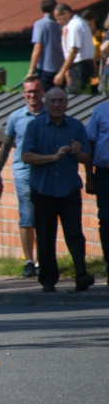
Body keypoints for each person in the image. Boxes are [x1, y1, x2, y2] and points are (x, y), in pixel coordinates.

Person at [21, 87, 94, 293]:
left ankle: (81, 275)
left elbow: (88, 158)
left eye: (60, 101)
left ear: (66, 103)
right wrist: (54, 157)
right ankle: (48, 279)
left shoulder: (76, 126)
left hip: (68, 188)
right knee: (45, 235)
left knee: (74, 233)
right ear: (46, 103)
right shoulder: (35, 126)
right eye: (52, 101)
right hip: (43, 189)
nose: (56, 105)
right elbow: (27, 156)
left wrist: (78, 153)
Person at [0, 76, 45, 278]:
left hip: (45, 172)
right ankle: (29, 260)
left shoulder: (50, 114)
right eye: (29, 92)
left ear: (42, 92)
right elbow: (6, 145)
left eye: (36, 91)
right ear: (23, 94)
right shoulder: (16, 117)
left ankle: (43, 260)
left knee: (44, 217)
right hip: (23, 172)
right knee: (27, 216)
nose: (32, 95)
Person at [86, 99, 109, 284]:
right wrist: (89, 176)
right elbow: (89, 145)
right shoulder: (100, 110)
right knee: (107, 220)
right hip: (104, 172)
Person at [54, 3, 96, 94]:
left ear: (66, 13)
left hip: (80, 68)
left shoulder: (74, 26)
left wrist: (62, 72)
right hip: (88, 65)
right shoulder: (81, 22)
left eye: (59, 18)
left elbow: (73, 51)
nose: (58, 22)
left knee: (76, 95)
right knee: (90, 93)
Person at [27, 0, 64, 91]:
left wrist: (31, 70)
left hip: (46, 68)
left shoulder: (40, 24)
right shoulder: (60, 24)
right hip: (61, 67)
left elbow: (38, 47)